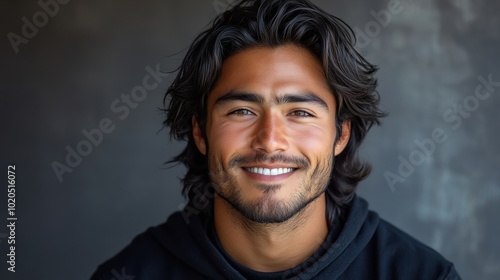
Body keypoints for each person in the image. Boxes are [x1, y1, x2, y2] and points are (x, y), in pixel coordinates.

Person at [91, 0, 461, 279]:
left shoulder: (421, 275)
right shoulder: (130, 273)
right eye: (242, 111)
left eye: (300, 112)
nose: (270, 142)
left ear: (340, 134)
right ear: (201, 132)